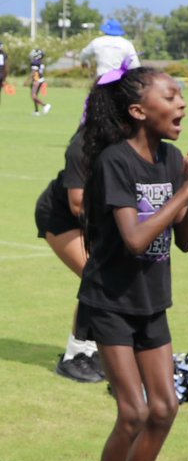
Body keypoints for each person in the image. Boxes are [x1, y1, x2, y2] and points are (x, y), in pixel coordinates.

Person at [78, 64, 188, 461]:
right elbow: (135, 239)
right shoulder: (116, 161)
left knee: (165, 406)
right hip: (111, 301)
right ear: (139, 111)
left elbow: (187, 241)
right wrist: (184, 191)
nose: (181, 104)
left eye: (181, 96)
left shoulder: (172, 157)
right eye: (171, 96)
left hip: (151, 301)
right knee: (133, 411)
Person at [34, 124, 104, 382]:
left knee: (109, 280)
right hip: (62, 216)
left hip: (97, 220)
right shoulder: (85, 143)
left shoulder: (133, 140)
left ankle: (96, 350)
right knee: (97, 277)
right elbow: (77, 204)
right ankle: (75, 356)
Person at [30, 49, 50, 115]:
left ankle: (45, 105)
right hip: (40, 79)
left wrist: (31, 79)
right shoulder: (40, 62)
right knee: (35, 95)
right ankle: (36, 111)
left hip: (37, 80)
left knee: (33, 96)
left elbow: (34, 72)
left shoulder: (35, 62)